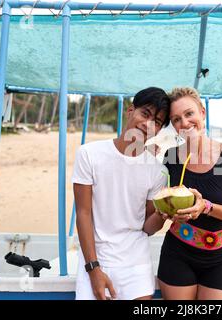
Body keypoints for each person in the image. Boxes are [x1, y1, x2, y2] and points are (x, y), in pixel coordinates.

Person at [144, 87, 222, 300]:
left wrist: (206, 207)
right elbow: (164, 201)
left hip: (219, 257)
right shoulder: (171, 157)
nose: (184, 123)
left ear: (202, 112)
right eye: (176, 119)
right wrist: (165, 211)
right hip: (178, 252)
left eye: (189, 114)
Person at [72, 87, 170, 300]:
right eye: (145, 114)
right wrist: (93, 268)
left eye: (157, 122)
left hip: (136, 259)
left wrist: (163, 215)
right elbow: (83, 213)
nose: (147, 124)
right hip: (96, 256)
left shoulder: (158, 171)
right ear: (130, 111)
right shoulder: (89, 154)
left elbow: (146, 227)